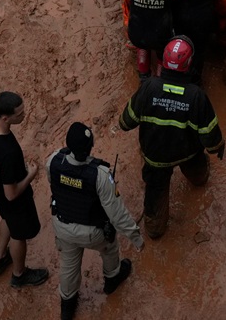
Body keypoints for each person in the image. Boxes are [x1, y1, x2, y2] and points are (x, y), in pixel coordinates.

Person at [118, 36, 225, 238]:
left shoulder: (148, 88)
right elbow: (210, 135)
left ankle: (155, 228)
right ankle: (198, 180)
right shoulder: (196, 96)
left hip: (155, 158)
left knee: (155, 194)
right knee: (199, 173)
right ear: (189, 63)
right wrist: (217, 146)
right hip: (188, 153)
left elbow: (126, 122)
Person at [48, 123, 143, 320]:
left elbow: (55, 184)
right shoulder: (100, 175)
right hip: (92, 232)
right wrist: (136, 238)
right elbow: (117, 214)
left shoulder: (53, 162)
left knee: (68, 264)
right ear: (91, 146)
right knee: (110, 246)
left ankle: (67, 304)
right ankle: (112, 277)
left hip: (62, 227)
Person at [0, 92, 50, 288]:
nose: (24, 115)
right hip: (13, 198)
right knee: (19, 235)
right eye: (19, 114)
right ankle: (19, 275)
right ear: (5, 117)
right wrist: (31, 175)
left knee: (7, 219)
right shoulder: (8, 151)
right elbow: (11, 194)